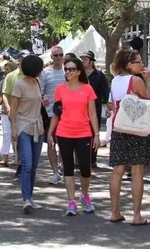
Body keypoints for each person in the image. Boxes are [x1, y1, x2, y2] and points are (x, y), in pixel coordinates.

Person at [108, 49, 150, 226]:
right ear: (129, 64)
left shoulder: (115, 80)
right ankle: (136, 215)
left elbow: (111, 103)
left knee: (117, 171)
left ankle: (115, 212)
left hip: (119, 127)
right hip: (136, 128)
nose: (142, 64)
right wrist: (148, 80)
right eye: (139, 61)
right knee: (137, 172)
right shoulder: (135, 80)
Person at [48, 57, 99, 216]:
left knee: (85, 168)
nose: (68, 72)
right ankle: (71, 200)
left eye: (71, 69)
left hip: (84, 132)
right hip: (64, 132)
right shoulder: (60, 89)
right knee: (68, 167)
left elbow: (92, 113)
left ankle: (85, 195)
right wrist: (50, 133)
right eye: (66, 69)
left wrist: (97, 134)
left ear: (78, 71)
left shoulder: (87, 89)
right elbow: (56, 113)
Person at [10, 54, 45, 213]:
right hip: (24, 125)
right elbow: (13, 109)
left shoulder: (38, 82)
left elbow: (37, 101)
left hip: (38, 126)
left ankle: (30, 197)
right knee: (27, 164)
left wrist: (43, 102)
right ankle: (26, 199)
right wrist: (14, 128)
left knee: (34, 165)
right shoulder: (19, 84)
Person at [40, 46, 66, 184]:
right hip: (50, 113)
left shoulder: (68, 71)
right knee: (51, 143)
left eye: (61, 55)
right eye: (56, 55)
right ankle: (55, 171)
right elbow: (40, 92)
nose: (59, 57)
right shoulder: (45, 73)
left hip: (67, 113)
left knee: (64, 143)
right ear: (51, 57)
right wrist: (42, 100)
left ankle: (61, 168)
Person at [81, 51, 108, 169]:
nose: (83, 61)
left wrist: (108, 105)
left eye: (85, 59)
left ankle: (92, 158)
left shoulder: (99, 75)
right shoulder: (79, 74)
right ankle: (82, 158)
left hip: (95, 107)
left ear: (91, 61)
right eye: (82, 59)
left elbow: (105, 91)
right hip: (80, 107)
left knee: (93, 132)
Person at [0, 61, 17, 166]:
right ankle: (5, 157)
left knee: (16, 135)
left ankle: (17, 156)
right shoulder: (3, 82)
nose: (5, 71)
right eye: (5, 69)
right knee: (6, 134)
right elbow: (1, 96)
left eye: (8, 69)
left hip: (17, 111)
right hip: (6, 111)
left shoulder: (19, 81)